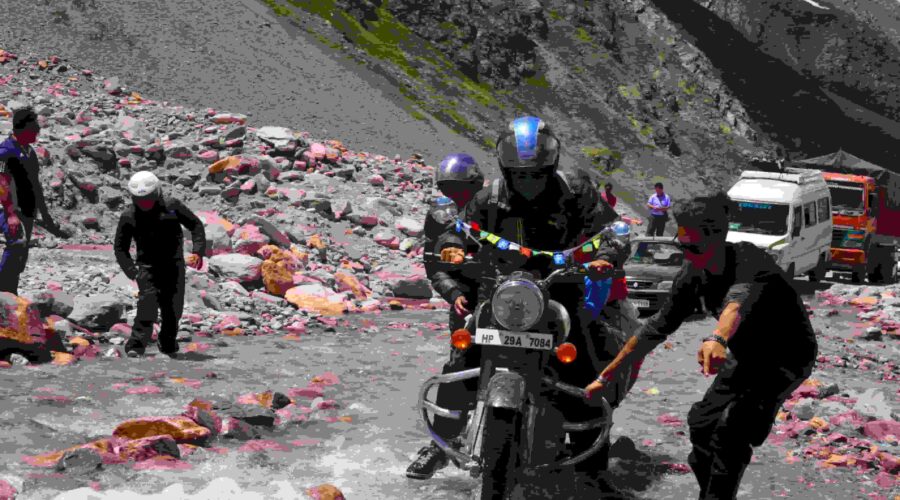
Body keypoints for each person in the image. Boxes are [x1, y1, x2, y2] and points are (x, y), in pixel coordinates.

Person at [436, 116, 638, 482]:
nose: (528, 183)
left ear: (550, 167)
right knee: (462, 359)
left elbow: (611, 229)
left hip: (563, 290)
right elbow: (459, 229)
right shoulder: (491, 196)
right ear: (507, 169)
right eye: (521, 176)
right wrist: (451, 247)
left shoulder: (576, 190)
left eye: (535, 175)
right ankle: (439, 443)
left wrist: (607, 256)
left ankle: (592, 471)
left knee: (585, 367)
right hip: (501, 293)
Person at [585, 192, 818, 500]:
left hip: (787, 356)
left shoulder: (750, 262)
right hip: (747, 357)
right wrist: (607, 376)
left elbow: (735, 305)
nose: (688, 255)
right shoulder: (692, 275)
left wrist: (717, 339)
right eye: (682, 246)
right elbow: (654, 329)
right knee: (701, 424)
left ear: (718, 236)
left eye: (694, 248)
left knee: (731, 431)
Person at [407, 153, 486, 479]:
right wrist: (455, 295)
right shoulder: (441, 215)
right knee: (458, 367)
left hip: (514, 299)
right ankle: (440, 445)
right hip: (466, 304)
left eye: (462, 189)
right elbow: (435, 266)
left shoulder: (499, 206)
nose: (457, 196)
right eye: (450, 188)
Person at [114, 171, 206, 358]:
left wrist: (198, 251)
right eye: (140, 200)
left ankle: (168, 344)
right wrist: (131, 271)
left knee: (173, 308)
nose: (145, 203)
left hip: (174, 265)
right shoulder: (129, 215)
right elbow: (120, 247)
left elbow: (195, 225)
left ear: (157, 193)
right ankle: (136, 346)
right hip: (147, 268)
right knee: (147, 306)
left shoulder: (172, 206)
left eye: (148, 199)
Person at [0, 107, 70, 295]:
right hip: (11, 209)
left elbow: (35, 184)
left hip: (28, 209)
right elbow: (2, 182)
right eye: (34, 129)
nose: (37, 133)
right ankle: (2, 290)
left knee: (21, 255)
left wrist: (45, 215)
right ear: (22, 129)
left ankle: (10, 295)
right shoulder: (5, 151)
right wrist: (11, 214)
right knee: (16, 244)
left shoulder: (29, 152)